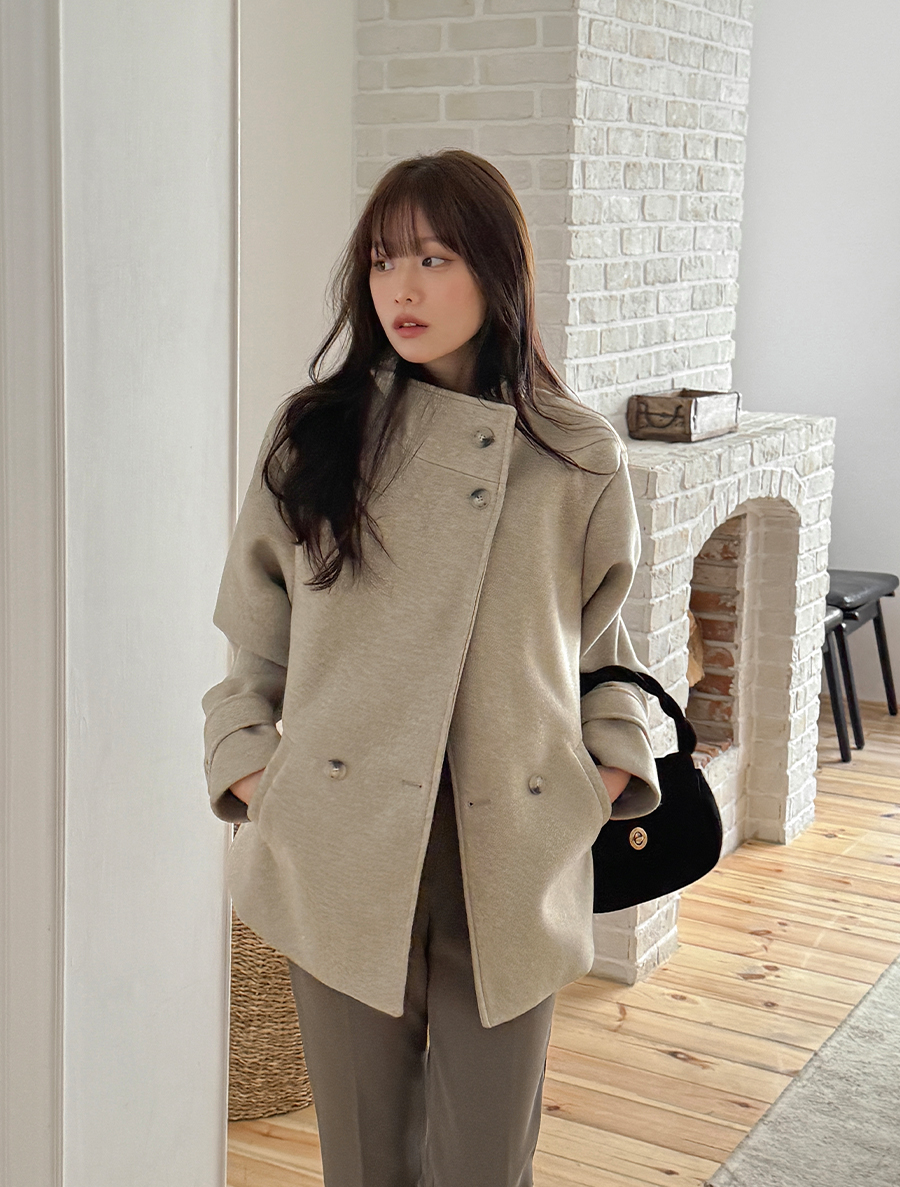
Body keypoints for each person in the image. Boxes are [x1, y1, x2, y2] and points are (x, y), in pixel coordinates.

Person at [201, 148, 661, 1187]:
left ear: (497, 271)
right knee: (364, 1163)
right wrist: (259, 779)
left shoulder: (577, 454)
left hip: (510, 851)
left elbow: (600, 647)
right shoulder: (316, 435)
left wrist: (603, 776)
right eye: (382, 260)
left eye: (434, 258)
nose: (400, 288)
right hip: (343, 842)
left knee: (487, 1165)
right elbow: (254, 647)